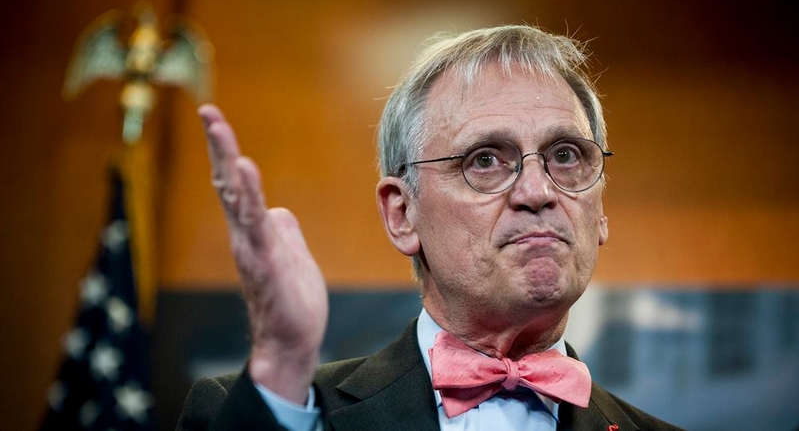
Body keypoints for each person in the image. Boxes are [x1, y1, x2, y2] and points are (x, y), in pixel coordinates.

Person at [176, 24, 682, 430]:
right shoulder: (280, 410)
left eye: (566, 155)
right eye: (485, 160)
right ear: (402, 214)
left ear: (601, 209)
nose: (538, 192)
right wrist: (285, 361)